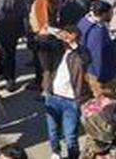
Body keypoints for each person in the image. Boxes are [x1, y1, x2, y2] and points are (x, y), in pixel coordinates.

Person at [44, 26, 91, 159]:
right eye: (65, 35)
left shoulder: (81, 52)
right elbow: (41, 46)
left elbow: (85, 59)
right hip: (52, 97)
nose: (66, 38)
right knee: (52, 131)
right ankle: (55, 152)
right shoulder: (57, 50)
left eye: (69, 35)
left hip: (71, 100)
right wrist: (49, 31)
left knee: (70, 135)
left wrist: (73, 44)